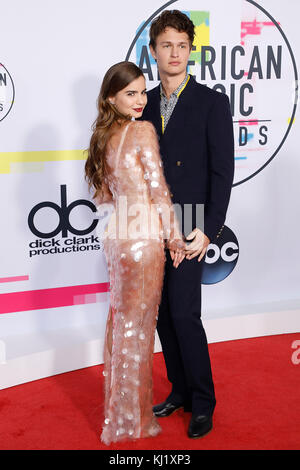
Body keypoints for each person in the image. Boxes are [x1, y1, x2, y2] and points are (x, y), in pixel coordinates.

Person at [141, 10, 234, 438]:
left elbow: (222, 173)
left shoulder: (212, 102)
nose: (174, 53)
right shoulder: (140, 105)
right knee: (161, 315)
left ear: (191, 51)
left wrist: (209, 228)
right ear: (153, 50)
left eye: (182, 45)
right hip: (150, 223)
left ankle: (202, 401)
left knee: (183, 312)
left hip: (192, 221)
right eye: (166, 45)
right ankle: (178, 389)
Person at [85, 61, 185, 445]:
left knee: (120, 327)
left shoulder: (103, 137)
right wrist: (175, 239)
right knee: (138, 333)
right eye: (131, 93)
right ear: (112, 97)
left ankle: (122, 415)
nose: (141, 100)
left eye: (143, 92)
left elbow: (104, 196)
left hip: (116, 237)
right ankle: (134, 422)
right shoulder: (143, 131)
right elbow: (159, 191)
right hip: (143, 240)